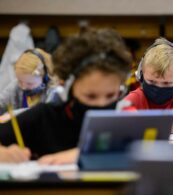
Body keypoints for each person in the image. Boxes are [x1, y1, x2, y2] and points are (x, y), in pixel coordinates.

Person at [0, 28, 132, 164]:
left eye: (111, 95)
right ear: (66, 87)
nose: (102, 104)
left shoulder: (126, 122)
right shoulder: (43, 118)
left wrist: (79, 156)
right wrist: (3, 154)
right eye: (91, 96)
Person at [125, 38, 173, 134]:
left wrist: (157, 126)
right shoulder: (137, 96)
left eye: (167, 83)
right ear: (141, 75)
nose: (158, 87)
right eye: (151, 81)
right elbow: (123, 116)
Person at [0, 48, 60, 122]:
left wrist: (11, 115)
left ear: (45, 78)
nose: (23, 87)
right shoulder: (19, 83)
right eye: (20, 81)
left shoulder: (54, 91)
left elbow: (43, 113)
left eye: (30, 83)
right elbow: (1, 102)